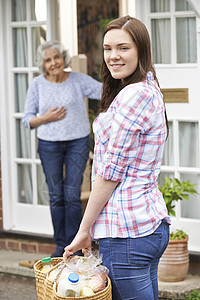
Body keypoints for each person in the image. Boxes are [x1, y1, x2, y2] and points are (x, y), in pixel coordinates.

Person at [63, 16, 171, 300]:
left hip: (126, 234)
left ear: (141, 51)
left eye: (123, 48)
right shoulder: (147, 88)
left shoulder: (133, 96)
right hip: (147, 225)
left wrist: (84, 229)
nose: (113, 56)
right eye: (108, 48)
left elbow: (110, 172)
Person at [22, 40, 102, 258]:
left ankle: (74, 245)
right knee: (57, 195)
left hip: (78, 142)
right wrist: (45, 118)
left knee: (72, 195)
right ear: (43, 64)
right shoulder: (37, 84)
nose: (53, 63)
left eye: (56, 57)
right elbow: (26, 120)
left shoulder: (77, 80)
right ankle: (61, 244)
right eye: (48, 60)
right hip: (49, 144)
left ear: (63, 58)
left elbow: (104, 91)